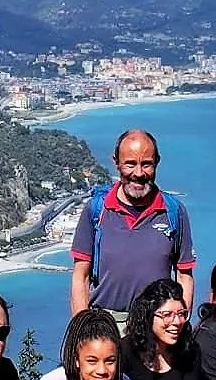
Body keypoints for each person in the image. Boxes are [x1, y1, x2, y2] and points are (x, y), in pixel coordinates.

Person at [70, 129, 196, 323]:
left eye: (146, 164)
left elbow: (184, 275)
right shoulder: (96, 210)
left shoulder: (174, 212)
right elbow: (81, 276)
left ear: (157, 163)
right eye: (130, 164)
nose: (138, 173)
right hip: (106, 325)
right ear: (116, 163)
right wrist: (81, 330)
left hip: (156, 326)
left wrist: (180, 323)